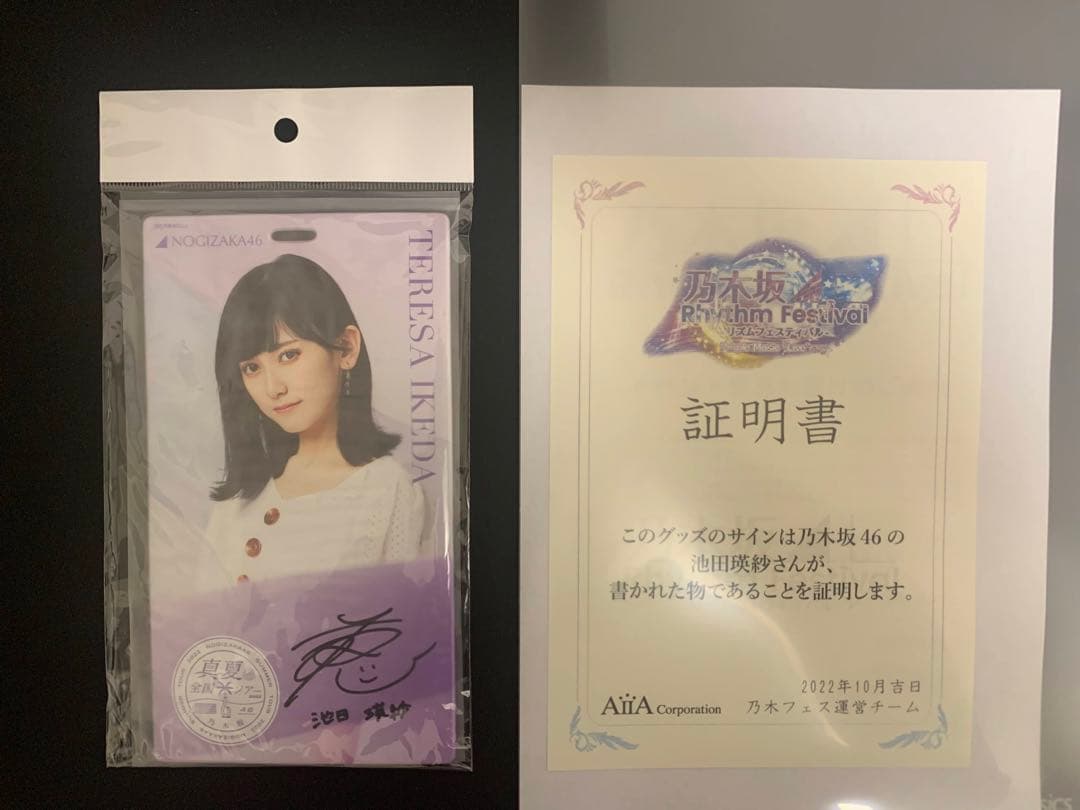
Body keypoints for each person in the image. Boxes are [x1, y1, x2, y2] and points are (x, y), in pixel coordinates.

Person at [203, 253, 424, 586]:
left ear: (346, 348)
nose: (273, 388)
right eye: (252, 368)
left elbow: (403, 611)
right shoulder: (239, 498)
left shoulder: (386, 490)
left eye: (288, 355)